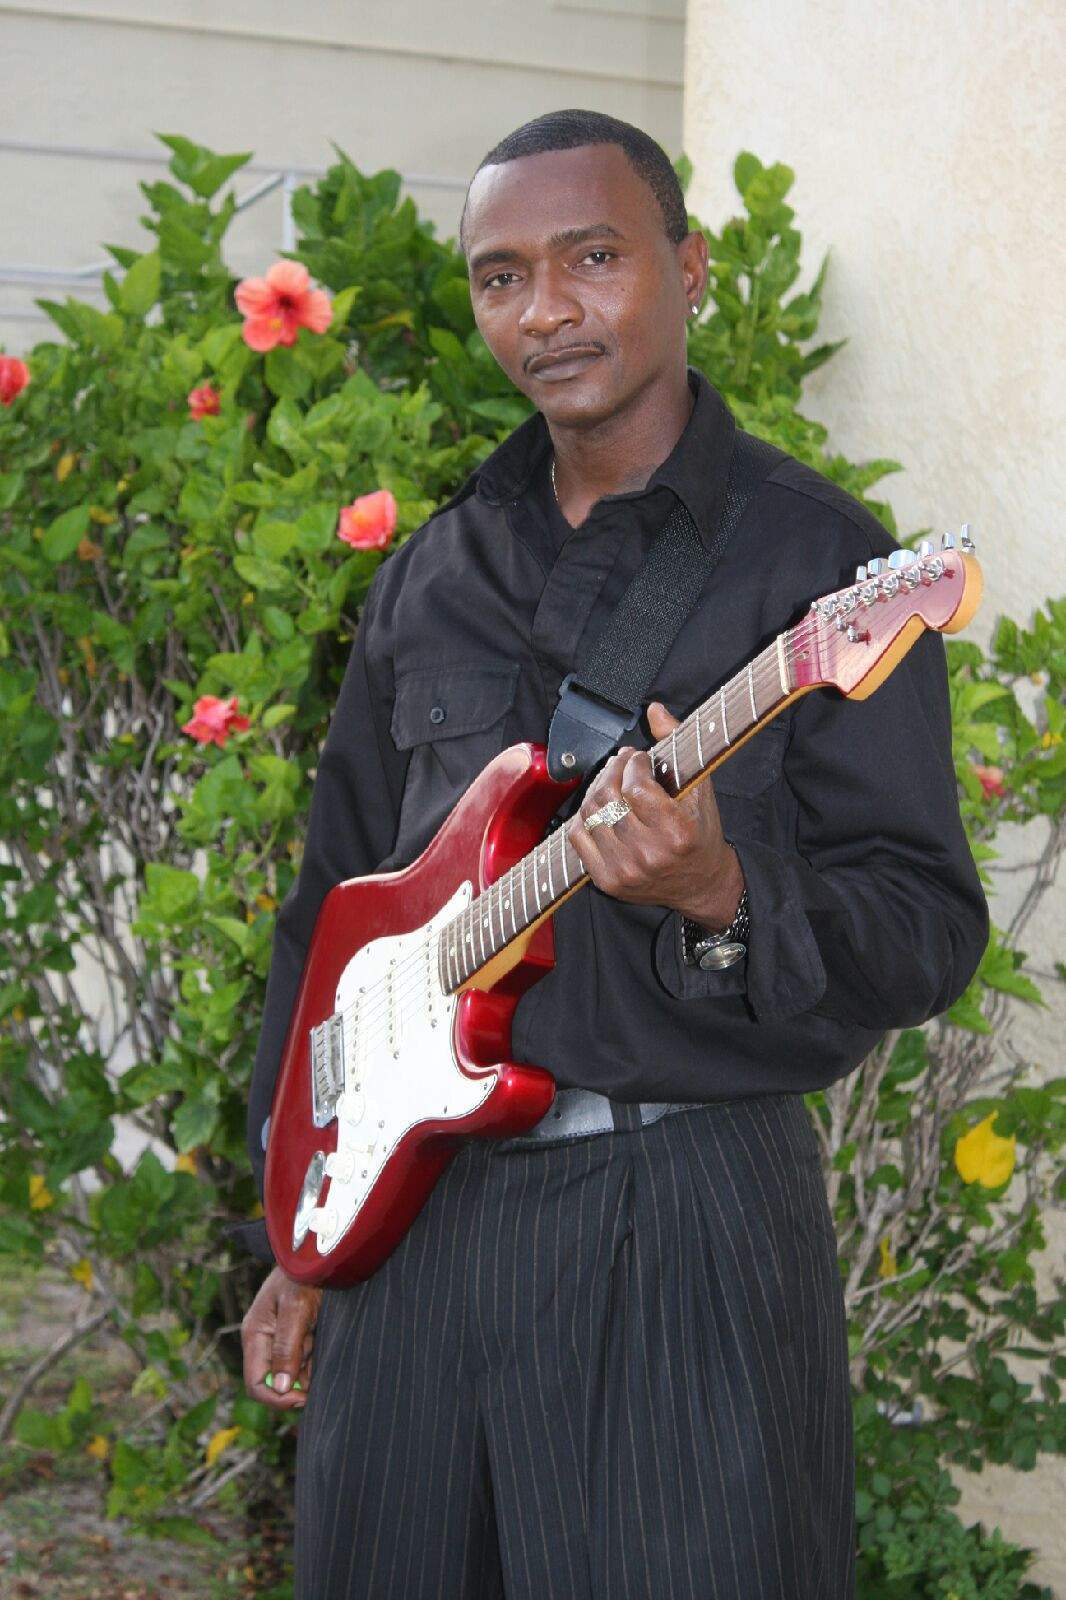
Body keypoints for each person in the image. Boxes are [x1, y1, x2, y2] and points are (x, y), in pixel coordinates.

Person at [234, 109, 988, 1598]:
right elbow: (330, 916)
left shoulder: (816, 568)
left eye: (591, 257)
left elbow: (922, 923)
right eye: (501, 275)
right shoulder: (432, 576)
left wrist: (721, 889)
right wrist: (303, 1225)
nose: (546, 309)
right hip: (410, 1227)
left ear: (688, 268)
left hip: (682, 1223)